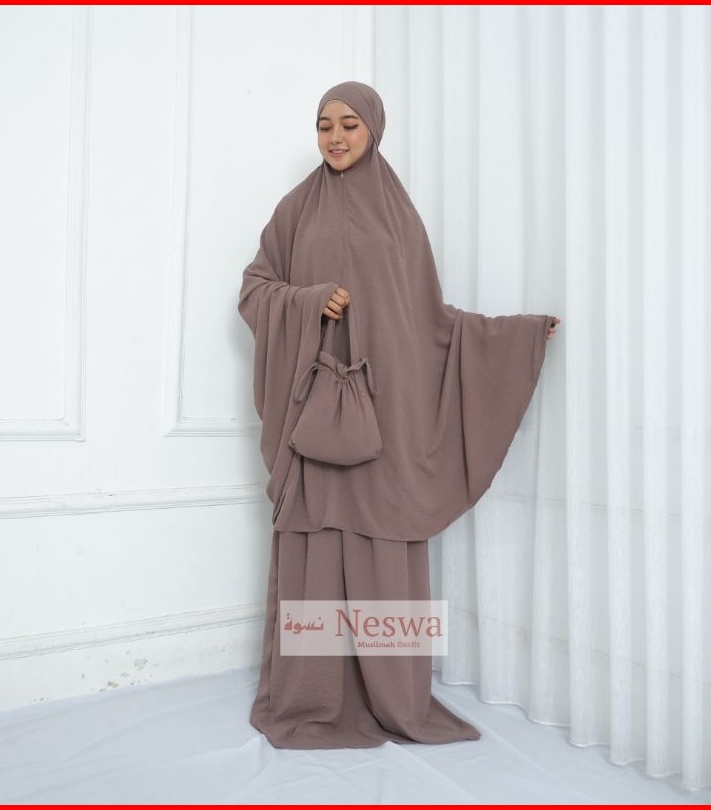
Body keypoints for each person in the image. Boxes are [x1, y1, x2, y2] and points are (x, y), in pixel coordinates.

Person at [238, 81, 559, 749]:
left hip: (387, 416)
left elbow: (429, 321)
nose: (335, 137)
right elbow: (255, 290)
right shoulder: (295, 209)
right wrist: (308, 301)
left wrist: (514, 336)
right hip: (316, 416)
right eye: (324, 125)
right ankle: (313, 696)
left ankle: (394, 696)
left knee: (385, 538)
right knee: (318, 543)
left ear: (374, 129)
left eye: (349, 124)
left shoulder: (399, 215)